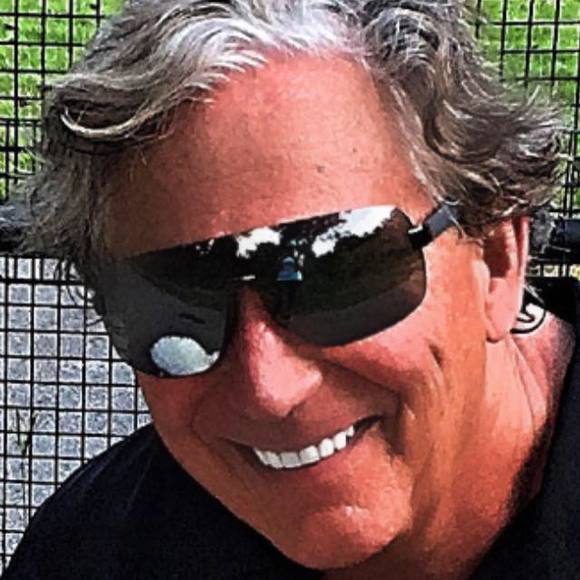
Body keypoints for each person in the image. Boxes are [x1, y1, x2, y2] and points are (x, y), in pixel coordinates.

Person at [4, 1, 579, 578]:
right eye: (177, 301)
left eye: (337, 273)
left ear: (497, 258)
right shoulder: (92, 553)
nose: (269, 390)